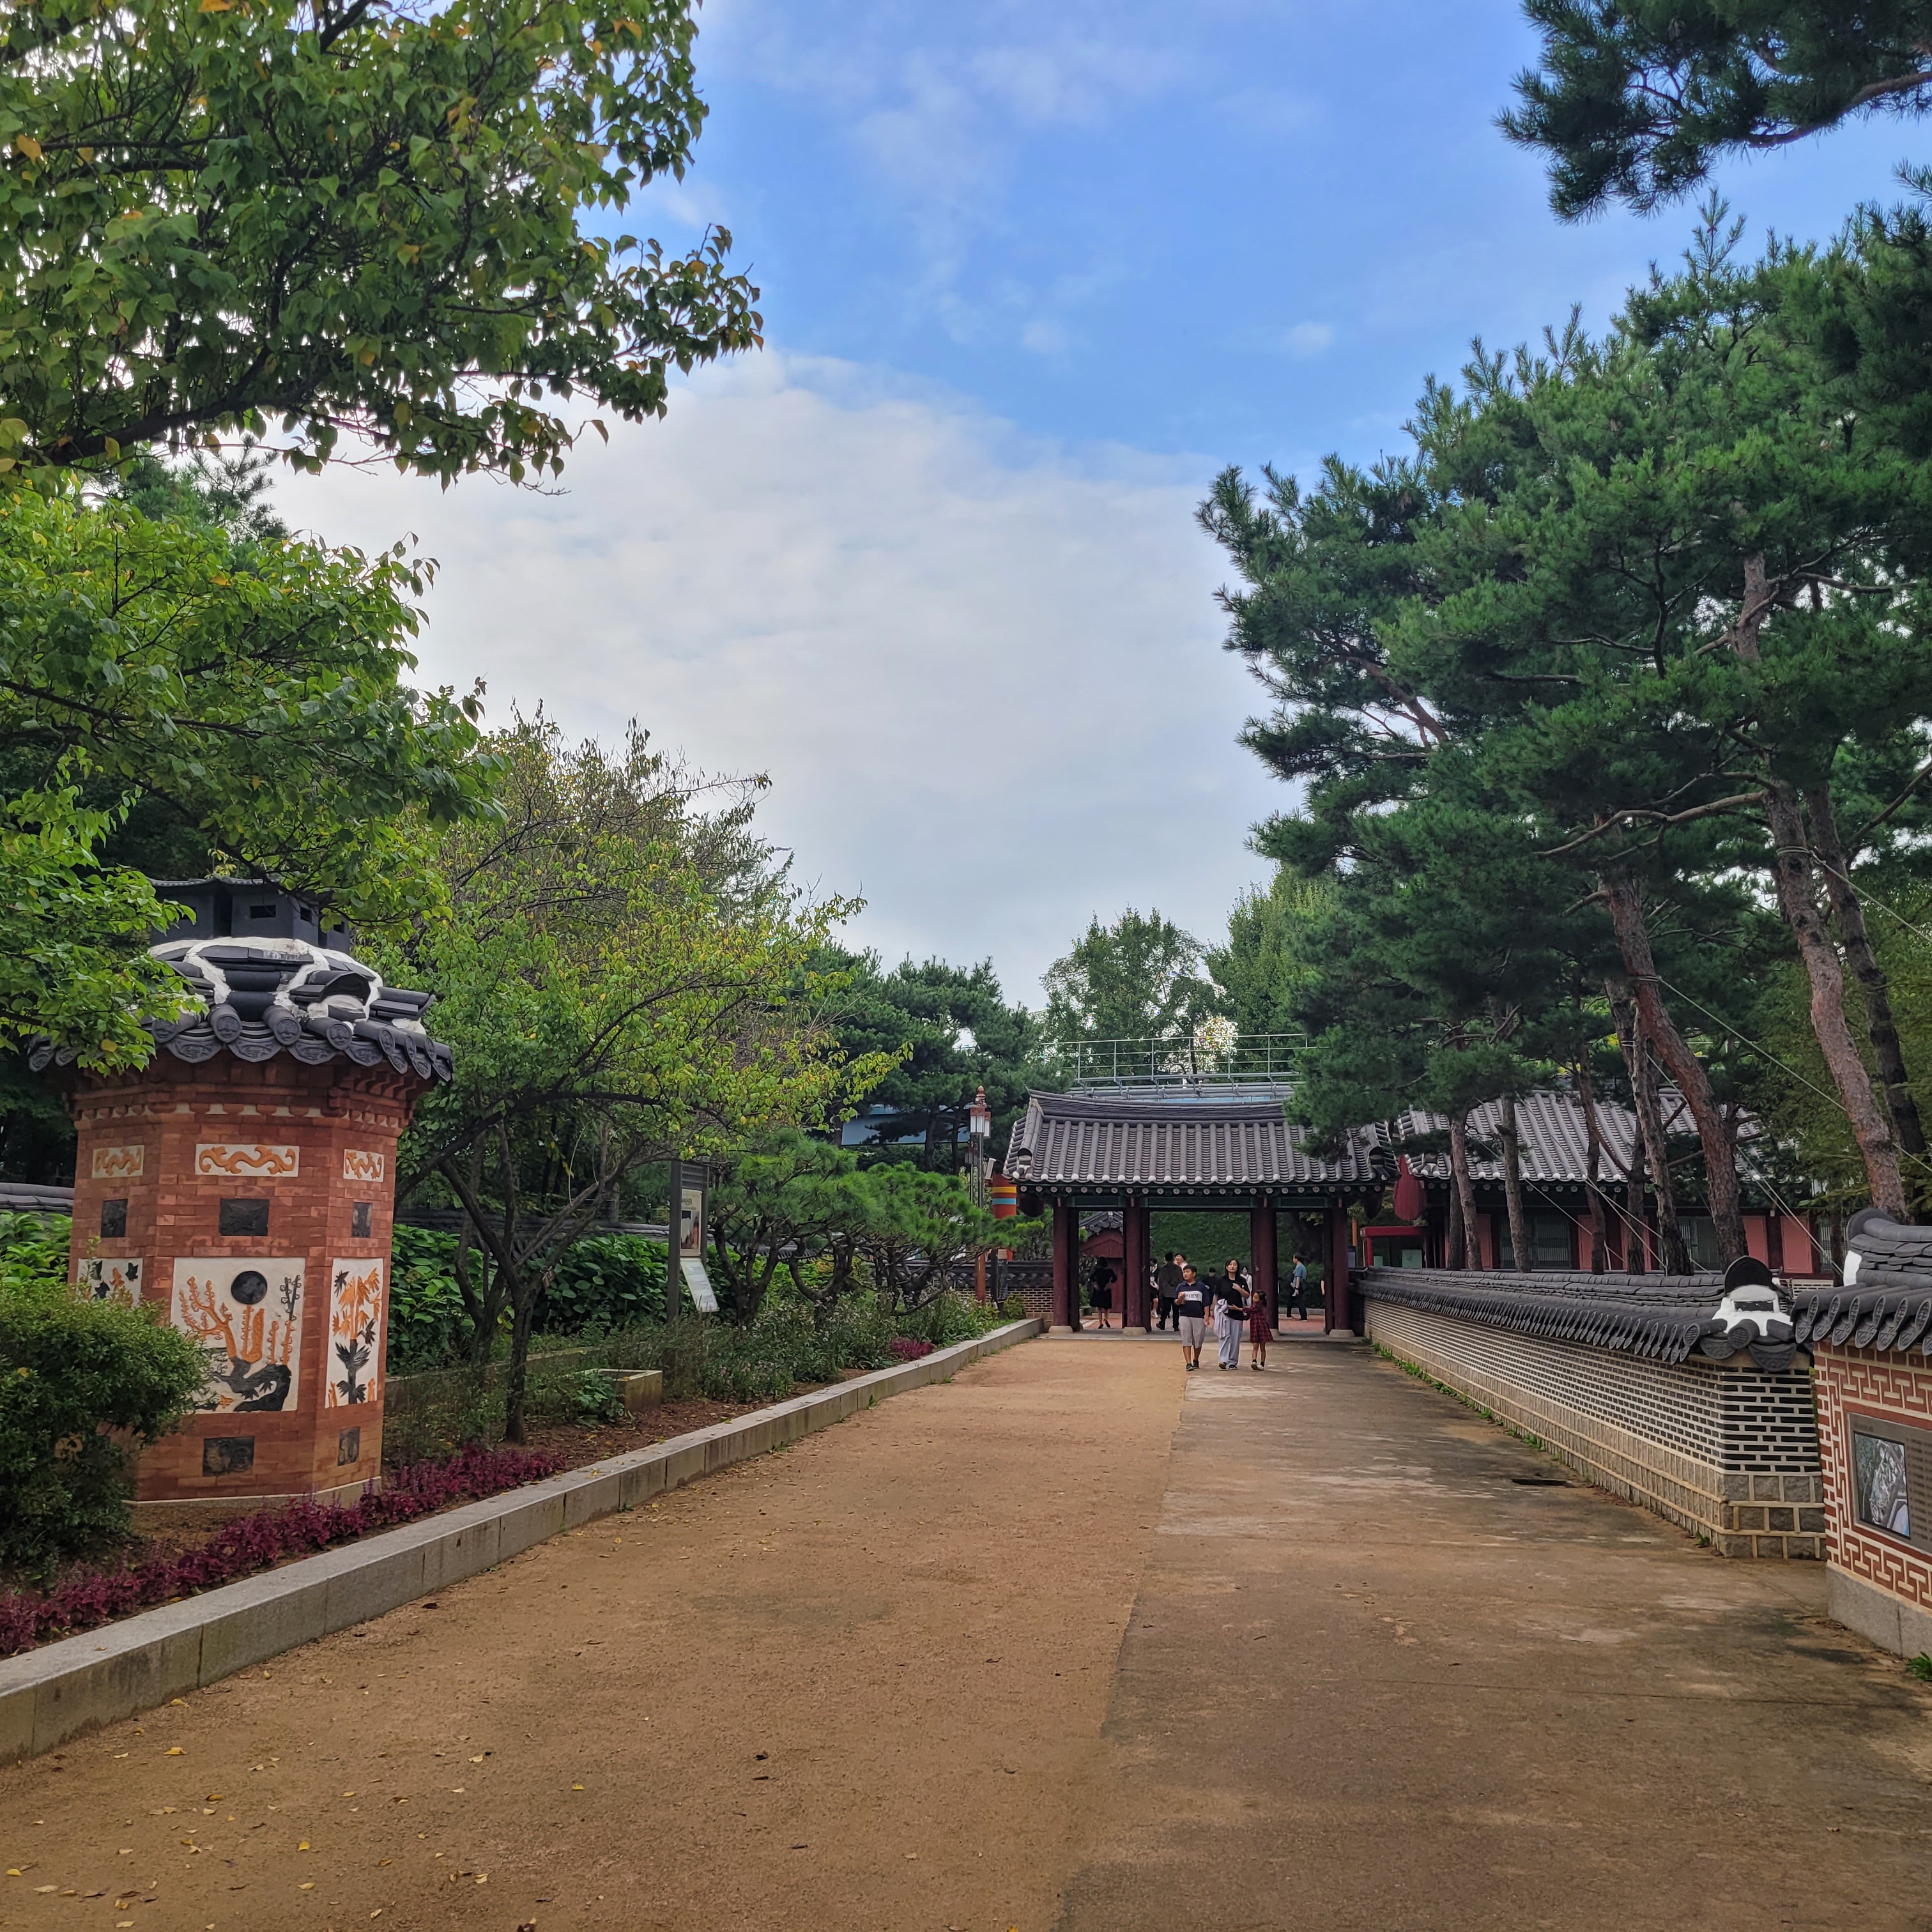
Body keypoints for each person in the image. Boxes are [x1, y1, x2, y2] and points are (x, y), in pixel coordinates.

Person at [1174, 1263, 1208, 1370]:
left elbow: (1206, 1302)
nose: (1185, 1274)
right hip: (1185, 1315)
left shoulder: (1201, 1287)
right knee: (1186, 1339)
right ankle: (1188, 1363)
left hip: (1198, 1316)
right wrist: (1180, 1299)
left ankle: (1196, 1359)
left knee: (1198, 1339)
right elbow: (1176, 1302)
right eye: (1184, 1272)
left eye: (1188, 1272)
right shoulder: (1180, 1287)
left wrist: (1207, 1316)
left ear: (1194, 1274)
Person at [1216, 1262, 1248, 1370]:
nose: (1232, 1266)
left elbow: (1247, 1295)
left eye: (1235, 1264)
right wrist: (1213, 1311)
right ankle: (1223, 1360)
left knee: (1235, 1338)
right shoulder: (1221, 1280)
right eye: (1230, 1264)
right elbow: (1216, 1295)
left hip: (1238, 1312)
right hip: (1224, 1311)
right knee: (1224, 1336)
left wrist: (1239, 1289)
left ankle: (1233, 1362)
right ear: (1226, 1267)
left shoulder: (1242, 1280)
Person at [1248, 1271, 1272, 1368]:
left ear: (1261, 1300)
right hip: (1257, 1327)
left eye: (1255, 1298)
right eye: (1253, 1297)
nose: (1253, 1299)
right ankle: (1254, 1361)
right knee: (1258, 1346)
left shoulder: (1258, 1306)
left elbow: (1249, 1310)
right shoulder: (1257, 1306)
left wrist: (1237, 1309)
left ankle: (1261, 1363)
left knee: (1260, 1347)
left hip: (1260, 1327)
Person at [1154, 1251, 1182, 1331]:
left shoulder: (1164, 1269)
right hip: (1176, 1291)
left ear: (1165, 1259)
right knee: (1176, 1310)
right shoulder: (1178, 1268)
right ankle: (1176, 1326)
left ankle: (1162, 1323)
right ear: (1173, 1259)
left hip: (1166, 1292)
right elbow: (1181, 1279)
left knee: (1165, 1310)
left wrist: (1161, 1291)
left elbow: (1160, 1281)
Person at [1089, 1257, 1116, 1330]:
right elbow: (1115, 1278)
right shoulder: (1109, 1270)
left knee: (1099, 1307)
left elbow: (1090, 1277)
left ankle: (1100, 1322)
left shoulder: (1096, 1269)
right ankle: (1106, 1319)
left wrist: (1095, 1284)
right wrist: (1110, 1282)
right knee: (1106, 1307)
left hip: (1098, 1289)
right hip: (1106, 1289)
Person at [1287, 1253, 1311, 1321]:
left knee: (1300, 1302)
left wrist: (1296, 1288)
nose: (1293, 1260)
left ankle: (1304, 1317)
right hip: (1300, 1285)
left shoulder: (1299, 1267)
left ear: (1296, 1259)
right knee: (1300, 1301)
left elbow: (1298, 1278)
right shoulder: (1302, 1266)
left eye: (1294, 1258)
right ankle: (1303, 1316)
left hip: (1299, 1285)